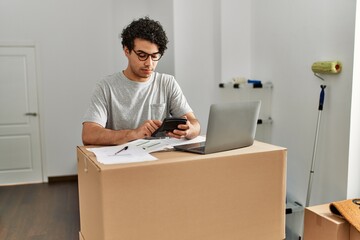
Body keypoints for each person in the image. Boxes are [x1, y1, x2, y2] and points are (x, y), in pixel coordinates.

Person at [82, 17, 201, 145]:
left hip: (158, 157)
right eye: (142, 55)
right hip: (121, 159)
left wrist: (189, 130)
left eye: (154, 56)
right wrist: (134, 134)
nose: (149, 63)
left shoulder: (167, 83)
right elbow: (89, 134)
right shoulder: (106, 87)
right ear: (126, 51)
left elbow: (195, 124)